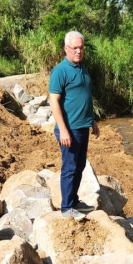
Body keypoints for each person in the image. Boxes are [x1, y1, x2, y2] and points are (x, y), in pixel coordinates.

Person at [49, 31, 99, 220]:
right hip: (69, 129)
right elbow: (54, 101)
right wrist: (63, 129)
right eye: (74, 48)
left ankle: (75, 201)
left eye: (81, 47)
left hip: (83, 126)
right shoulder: (60, 71)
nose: (78, 51)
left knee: (79, 166)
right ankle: (66, 208)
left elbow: (85, 97)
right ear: (66, 49)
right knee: (69, 168)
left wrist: (92, 120)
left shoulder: (83, 68)